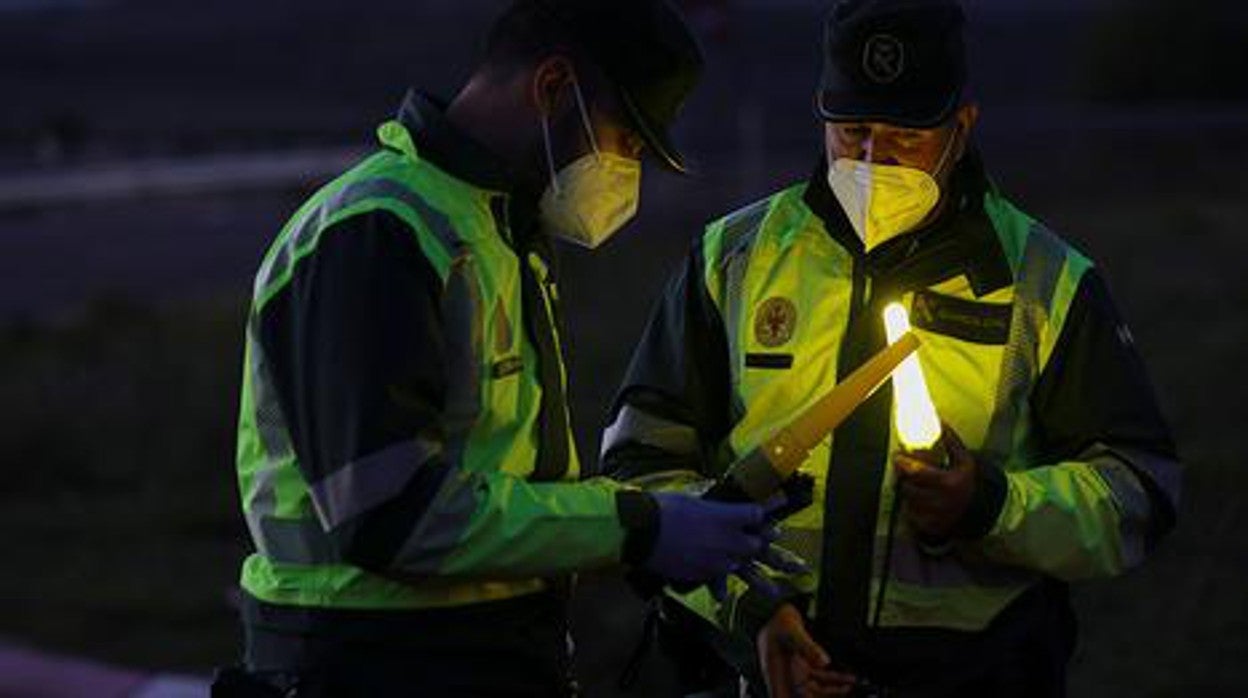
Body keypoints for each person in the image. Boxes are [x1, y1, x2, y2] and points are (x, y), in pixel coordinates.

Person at [601, 0, 1182, 695]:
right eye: (852, 132)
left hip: (974, 678)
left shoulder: (1045, 281)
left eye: (906, 137)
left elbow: (1137, 495)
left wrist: (989, 505)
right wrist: (751, 608)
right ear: (821, 118)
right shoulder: (733, 258)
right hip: (748, 669)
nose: (873, 160)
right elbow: (640, 465)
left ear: (960, 128)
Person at [217, 1, 779, 696]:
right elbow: (390, 517)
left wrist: (660, 519)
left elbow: (504, 478)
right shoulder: (378, 234)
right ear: (551, 88)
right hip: (369, 663)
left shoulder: (496, 230)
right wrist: (636, 525)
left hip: (478, 655)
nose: (627, 173)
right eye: (625, 142)